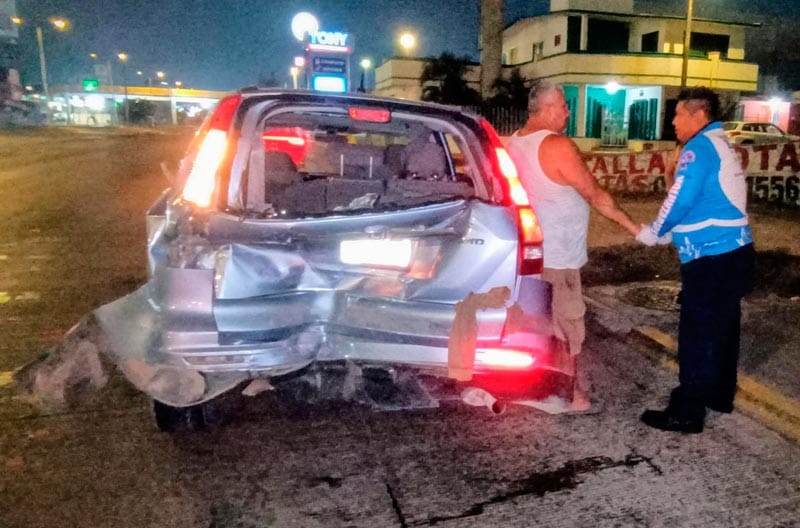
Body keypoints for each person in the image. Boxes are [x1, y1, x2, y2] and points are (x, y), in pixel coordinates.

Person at [507, 80, 640, 412]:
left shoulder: (513, 142)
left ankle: (533, 385)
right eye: (564, 106)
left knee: (535, 320)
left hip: (529, 253)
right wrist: (634, 227)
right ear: (548, 108)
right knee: (568, 324)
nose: (568, 112)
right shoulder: (557, 145)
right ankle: (571, 393)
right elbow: (595, 195)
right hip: (558, 256)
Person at [637, 87, 755, 434]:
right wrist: (669, 233)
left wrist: (654, 231)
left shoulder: (698, 148)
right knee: (723, 328)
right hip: (734, 254)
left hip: (710, 258)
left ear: (698, 114)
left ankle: (687, 412)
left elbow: (682, 198)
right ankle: (719, 395)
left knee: (697, 335)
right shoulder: (720, 144)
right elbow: (704, 202)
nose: (672, 121)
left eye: (678, 114)